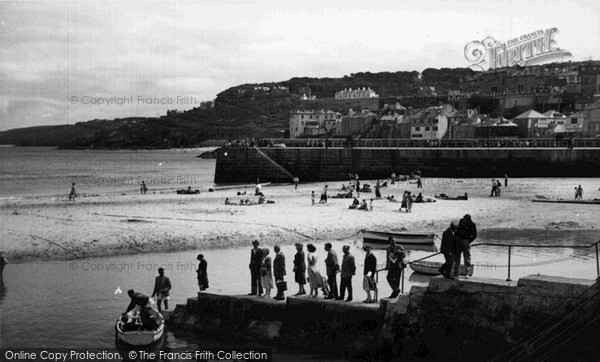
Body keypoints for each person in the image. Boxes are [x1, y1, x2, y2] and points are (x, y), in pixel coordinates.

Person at [453, 214, 477, 278]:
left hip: (466, 241)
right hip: (459, 240)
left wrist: (469, 241)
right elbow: (457, 230)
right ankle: (456, 273)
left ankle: (467, 273)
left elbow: (475, 235)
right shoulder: (461, 221)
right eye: (464, 218)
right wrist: (456, 237)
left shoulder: (472, 224)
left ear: (468, 219)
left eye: (465, 218)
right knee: (457, 257)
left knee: (467, 258)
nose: (464, 219)